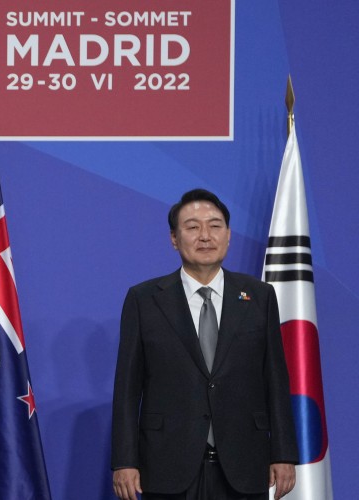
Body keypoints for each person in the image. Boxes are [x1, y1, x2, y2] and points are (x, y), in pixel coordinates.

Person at [111, 189, 298, 500]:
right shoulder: (144, 300)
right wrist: (124, 461)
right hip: (167, 465)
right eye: (193, 227)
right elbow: (127, 388)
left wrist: (284, 453)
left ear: (228, 235)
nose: (205, 236)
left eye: (215, 225)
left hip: (243, 464)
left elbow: (275, 380)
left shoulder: (259, 296)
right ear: (174, 238)